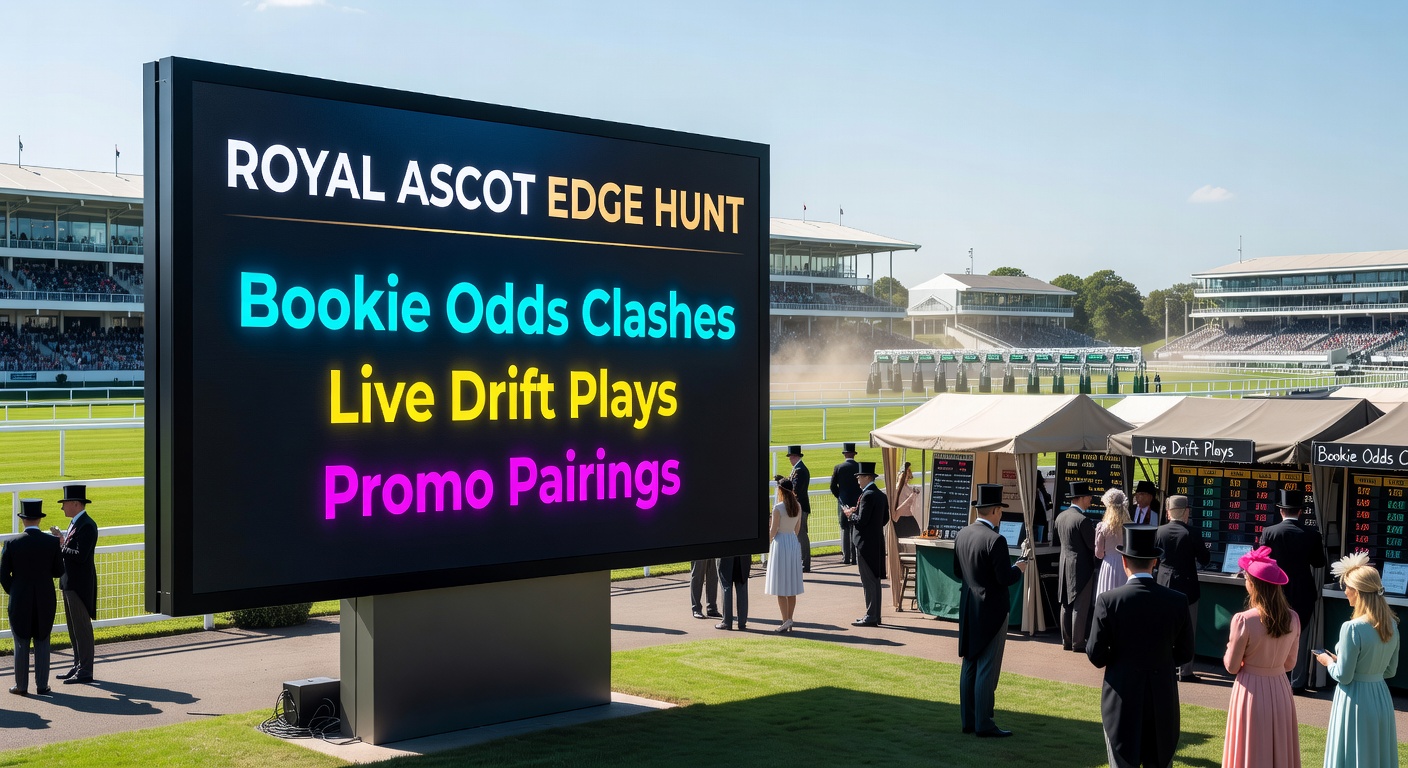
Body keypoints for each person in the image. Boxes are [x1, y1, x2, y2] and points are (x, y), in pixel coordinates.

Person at [1087, 525, 1194, 768]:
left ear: (1124, 561)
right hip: (1162, 700)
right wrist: (1160, 659)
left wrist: (1122, 658)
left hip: (1121, 698)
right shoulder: (1177, 601)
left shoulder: (1109, 601)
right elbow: (1186, 652)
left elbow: (1096, 654)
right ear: (1155, 562)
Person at [954, 483, 1028, 738]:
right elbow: (1004, 578)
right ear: (995, 510)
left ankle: (969, 721)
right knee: (986, 666)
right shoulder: (996, 540)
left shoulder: (962, 534)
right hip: (992, 610)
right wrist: (1020, 568)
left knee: (970, 664)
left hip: (968, 607)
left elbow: (956, 572)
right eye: (1000, 511)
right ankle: (984, 722)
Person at [1316, 552, 1400, 767]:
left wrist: (1329, 661)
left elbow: (1343, 676)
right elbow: (1390, 671)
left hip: (1355, 700)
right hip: (1381, 698)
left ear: (1358, 592)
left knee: (1353, 753)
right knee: (1375, 754)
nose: (1345, 592)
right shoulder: (1392, 625)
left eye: (1348, 588)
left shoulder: (1352, 627)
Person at [1222, 546, 1301, 768]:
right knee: (1278, 748)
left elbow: (1232, 666)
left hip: (1250, 691)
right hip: (1280, 688)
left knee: (1250, 749)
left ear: (1253, 584)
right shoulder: (1293, 618)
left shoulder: (1243, 620)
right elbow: (1289, 663)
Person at [1260, 488, 1326, 693]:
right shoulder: (1311, 535)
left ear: (1281, 511)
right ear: (1300, 511)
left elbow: (1261, 560)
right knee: (1300, 637)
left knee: (1272, 634)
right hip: (1302, 592)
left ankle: (1273, 676)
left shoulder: (1269, 532)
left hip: (1275, 592)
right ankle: (1296, 682)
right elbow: (1319, 563)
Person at [2, 499, 63, 696]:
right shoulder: (52, 542)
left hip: (20, 597)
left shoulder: (11, 543)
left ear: (22, 520)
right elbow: (58, 571)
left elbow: (3, 575)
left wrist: (16, 591)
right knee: (42, 640)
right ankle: (42, 685)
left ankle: (21, 685)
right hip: (45, 597)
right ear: (39, 519)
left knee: (21, 641)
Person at [1155, 494, 1210, 682]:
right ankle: (1185, 671)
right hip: (1187, 586)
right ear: (1186, 512)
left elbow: (1153, 559)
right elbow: (1205, 558)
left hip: (1163, 584)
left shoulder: (1159, 531)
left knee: (1164, 628)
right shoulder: (1192, 532)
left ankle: (1165, 666)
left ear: (1169, 513)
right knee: (1188, 629)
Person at [52, 483, 98, 683]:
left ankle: (86, 670)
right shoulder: (76, 523)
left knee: (82, 628)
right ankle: (78, 664)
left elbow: (80, 556)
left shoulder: (87, 525)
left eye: (65, 503)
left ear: (76, 504)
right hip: (69, 582)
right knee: (73, 629)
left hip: (79, 584)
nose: (62, 507)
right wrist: (61, 539)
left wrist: (59, 544)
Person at [1054, 480, 1098, 652]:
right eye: (1089, 497)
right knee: (1080, 604)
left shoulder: (1061, 516)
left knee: (1065, 603)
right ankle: (1078, 642)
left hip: (1064, 564)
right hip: (1081, 567)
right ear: (1081, 498)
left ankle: (1066, 640)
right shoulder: (1083, 520)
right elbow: (1092, 546)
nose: (1090, 500)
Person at [843, 461, 887, 627]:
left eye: (860, 477)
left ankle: (871, 615)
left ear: (867, 477)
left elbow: (861, 522)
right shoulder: (880, 495)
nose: (858, 480)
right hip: (876, 541)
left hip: (865, 544)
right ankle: (875, 614)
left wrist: (850, 514)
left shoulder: (868, 495)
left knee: (868, 581)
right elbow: (884, 519)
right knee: (874, 581)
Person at [764, 475, 804, 633]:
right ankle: (790, 619)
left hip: (780, 543)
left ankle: (784, 620)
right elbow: (797, 529)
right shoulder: (798, 506)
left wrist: (766, 540)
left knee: (781, 586)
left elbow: (773, 531)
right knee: (792, 584)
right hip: (792, 542)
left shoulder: (778, 508)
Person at [1093, 488, 1131, 598]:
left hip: (1109, 565)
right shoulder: (1130, 526)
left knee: (1107, 597)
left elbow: (1099, 554)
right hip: (1126, 565)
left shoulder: (1103, 526)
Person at [829, 443, 861, 565]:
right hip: (857, 501)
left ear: (844, 454)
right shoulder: (858, 467)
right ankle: (854, 557)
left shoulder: (838, 468)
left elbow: (832, 486)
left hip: (843, 502)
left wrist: (840, 496)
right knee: (854, 527)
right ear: (854, 454)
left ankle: (846, 556)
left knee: (844, 528)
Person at [786, 446, 812, 573]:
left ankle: (805, 562)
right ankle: (803, 561)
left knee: (801, 533)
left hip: (800, 506)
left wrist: (784, 483)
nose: (790, 459)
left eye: (791, 457)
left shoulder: (800, 470)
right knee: (799, 533)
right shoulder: (798, 469)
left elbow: (796, 489)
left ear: (795, 457)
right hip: (799, 506)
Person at [715, 551, 750, 632]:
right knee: (742, 585)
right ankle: (742, 621)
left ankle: (727, 621)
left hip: (726, 551)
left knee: (726, 586)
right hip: (743, 552)